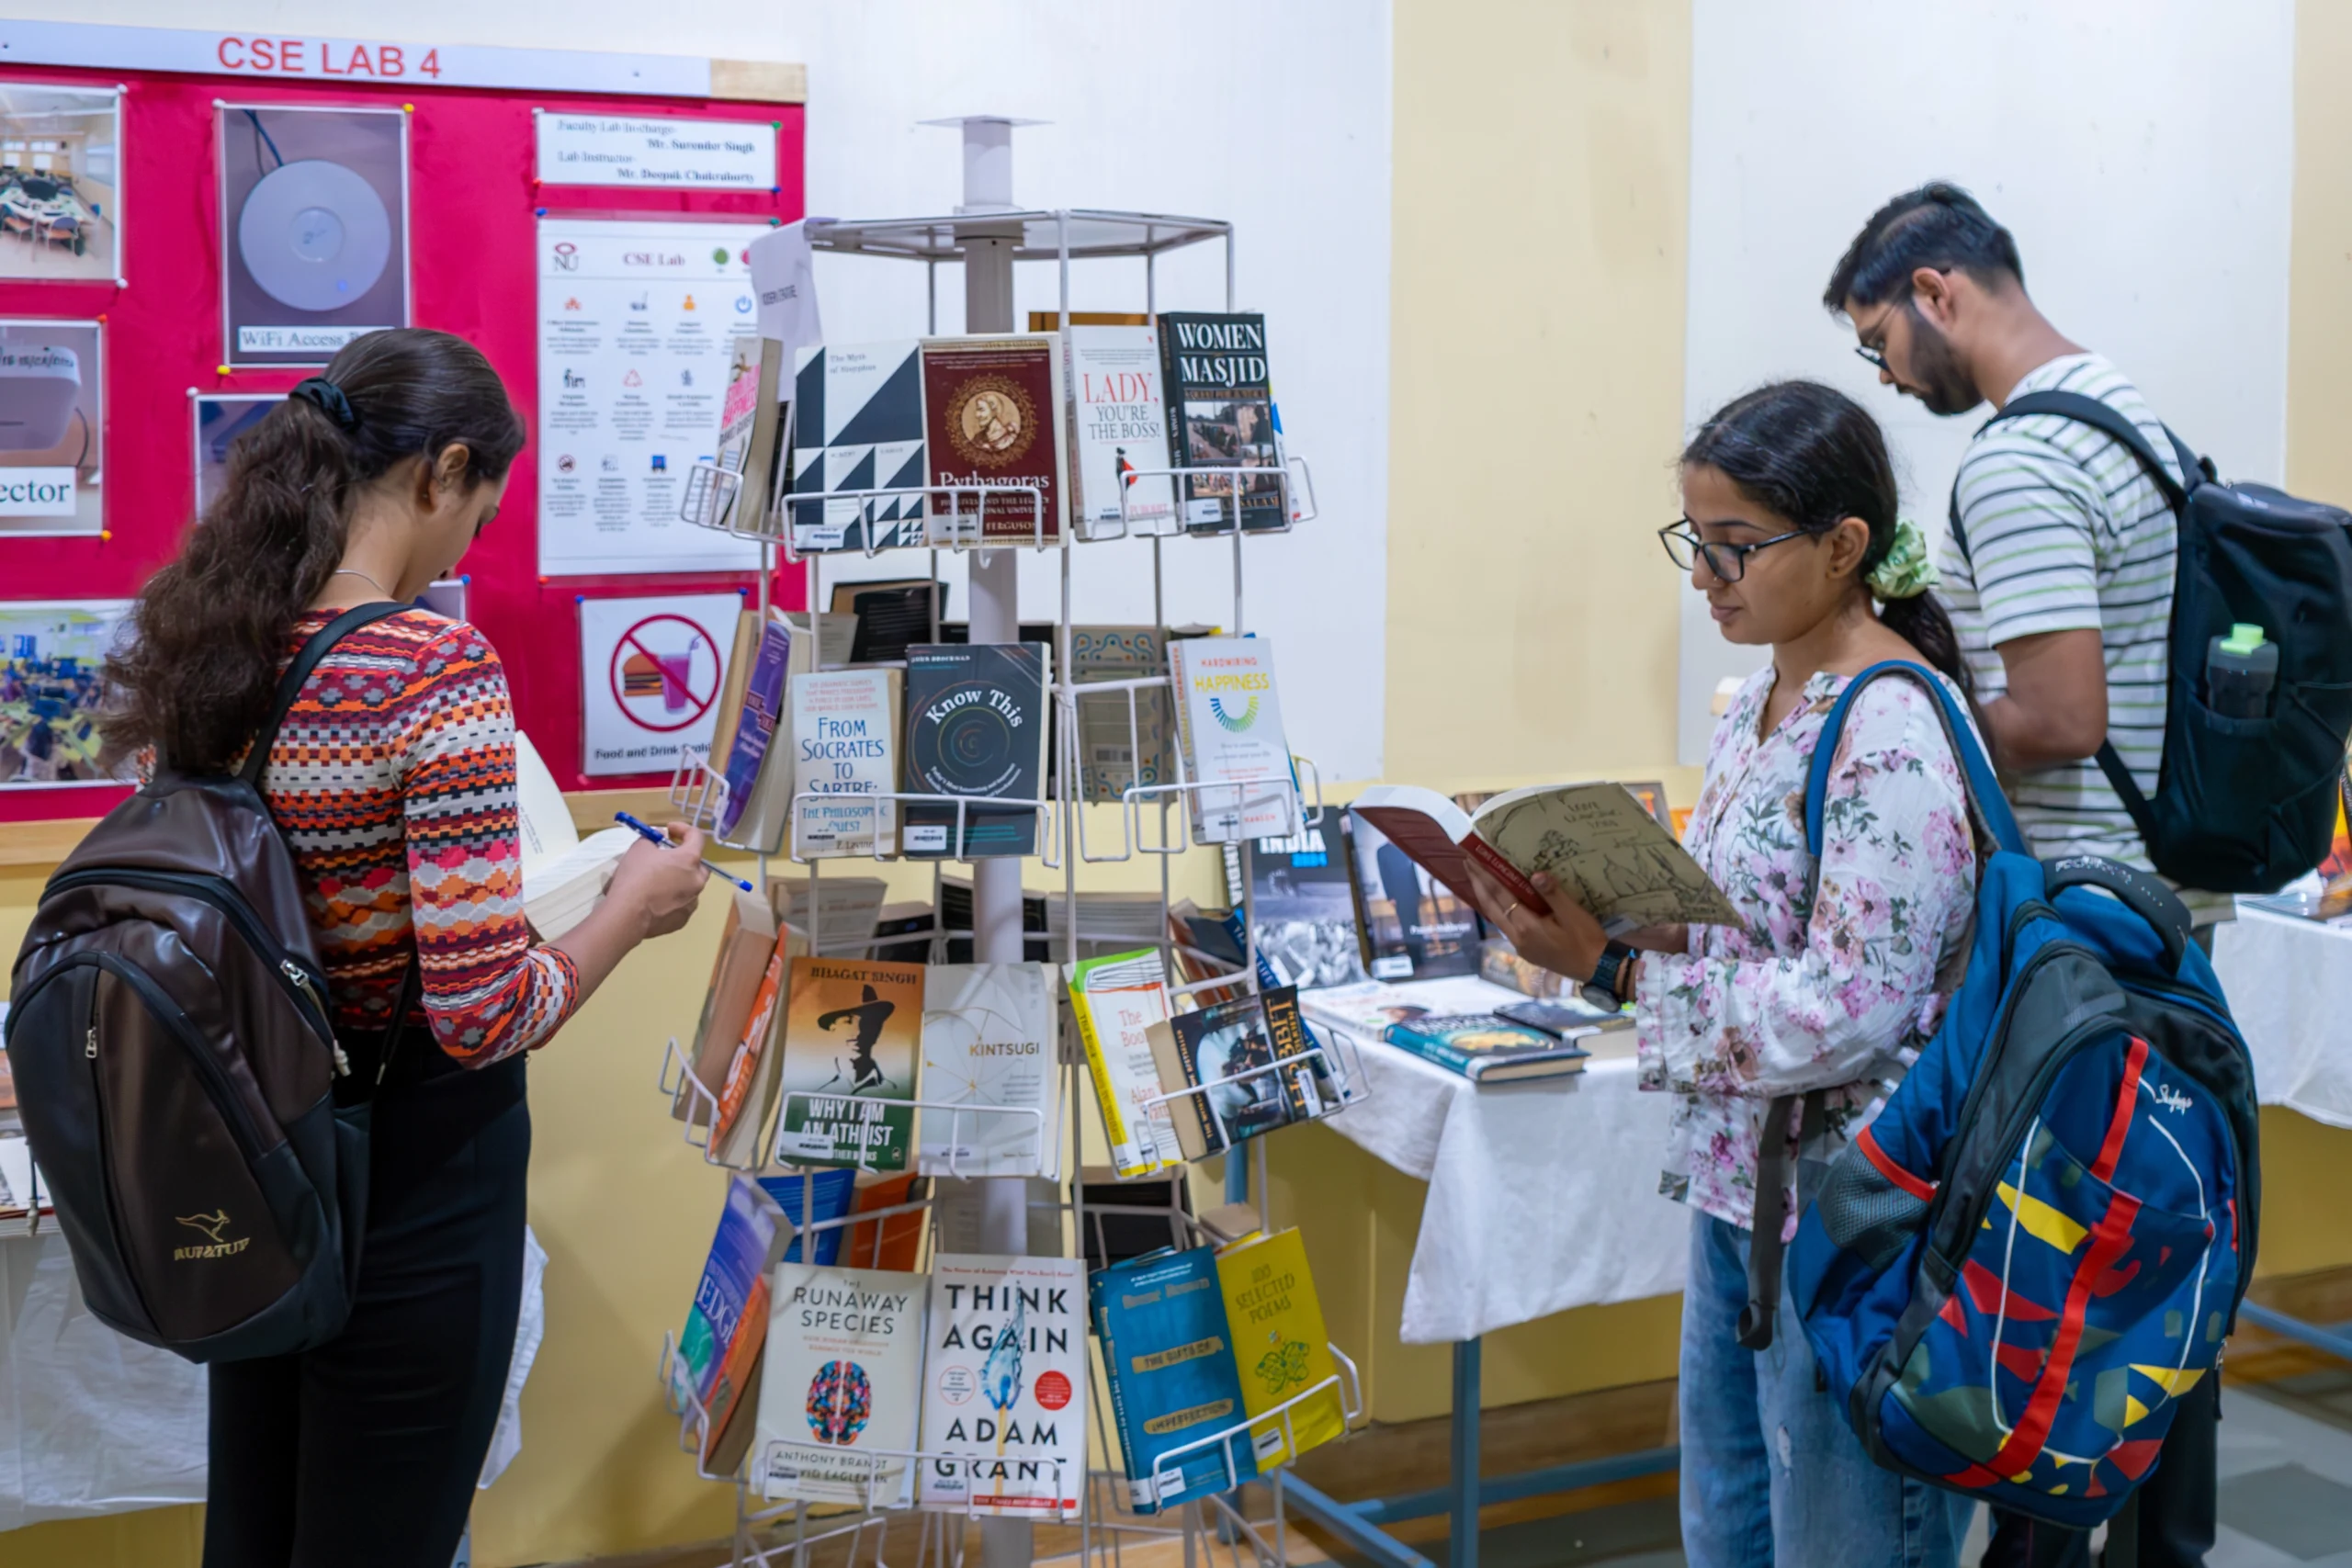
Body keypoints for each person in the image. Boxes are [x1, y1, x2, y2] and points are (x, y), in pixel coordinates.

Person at [101, 329, 710, 1568]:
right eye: (478, 517)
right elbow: (481, 1012)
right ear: (442, 471)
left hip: (259, 1162)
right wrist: (632, 910)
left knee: (259, 1536)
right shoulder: (432, 669)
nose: (464, 548)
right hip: (415, 1190)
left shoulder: (215, 645)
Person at [1475, 380, 1981, 1568]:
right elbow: (1741, 929)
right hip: (1739, 1184)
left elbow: (1852, 1004)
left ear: (1846, 546)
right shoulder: (1759, 700)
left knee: (1848, 1537)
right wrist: (1610, 915)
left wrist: (1610, 972)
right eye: (1694, 544)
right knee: (1733, 1526)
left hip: (1859, 1210)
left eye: (1736, 547)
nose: (1706, 577)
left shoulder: (1894, 726)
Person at [1827, 182, 2218, 1568]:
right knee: (2158, 1259)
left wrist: (1918, 721)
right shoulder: (2138, 418)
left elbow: (2060, 712)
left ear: (1937, 292)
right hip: (2167, 918)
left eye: (1880, 339)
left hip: (2077, 943)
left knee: (2048, 1275)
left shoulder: (2012, 463)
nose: (1884, 372)